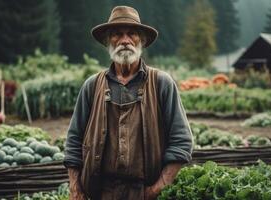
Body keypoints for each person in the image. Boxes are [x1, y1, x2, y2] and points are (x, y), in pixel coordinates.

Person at [64, 5, 193, 200]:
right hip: (101, 193)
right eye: (117, 34)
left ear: (141, 40)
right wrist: (76, 189)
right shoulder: (92, 86)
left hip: (146, 192)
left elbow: (182, 142)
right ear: (109, 41)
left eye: (131, 33)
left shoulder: (161, 83)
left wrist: (156, 190)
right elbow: (73, 142)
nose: (124, 40)